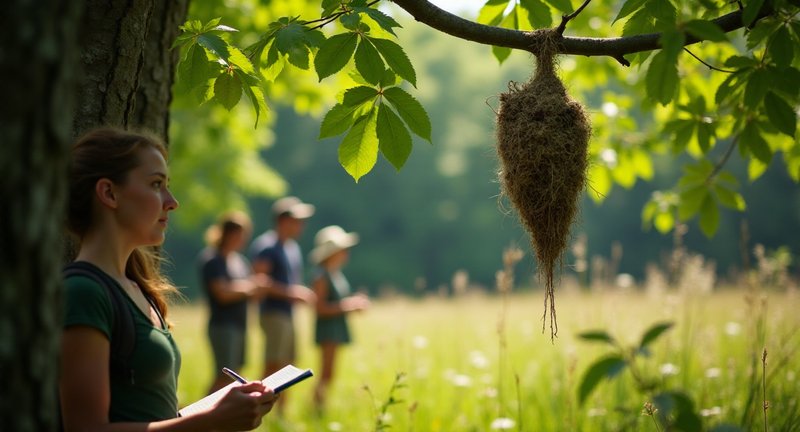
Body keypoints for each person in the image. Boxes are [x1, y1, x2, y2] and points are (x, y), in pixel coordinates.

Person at [60, 127, 277, 431]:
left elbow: (151, 416)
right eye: (156, 184)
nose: (172, 201)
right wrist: (211, 420)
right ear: (109, 193)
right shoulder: (83, 292)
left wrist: (218, 407)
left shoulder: (138, 289)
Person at [250, 196, 316, 412]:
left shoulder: (292, 248)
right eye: (297, 220)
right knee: (273, 365)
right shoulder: (266, 247)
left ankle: (279, 414)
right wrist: (292, 293)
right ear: (283, 221)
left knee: (287, 366)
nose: (302, 225)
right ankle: (258, 412)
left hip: (287, 314)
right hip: (272, 314)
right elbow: (259, 282)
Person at [198, 210, 267, 394]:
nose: (241, 239)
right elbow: (222, 293)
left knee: (235, 376)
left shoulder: (240, 262)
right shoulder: (212, 260)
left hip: (240, 326)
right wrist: (250, 286)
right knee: (224, 376)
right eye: (237, 234)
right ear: (225, 233)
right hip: (222, 326)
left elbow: (248, 291)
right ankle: (198, 415)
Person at [308, 225, 370, 411]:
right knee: (326, 373)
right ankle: (316, 408)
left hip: (335, 328)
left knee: (330, 373)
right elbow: (319, 308)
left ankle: (320, 407)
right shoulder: (321, 276)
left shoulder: (335, 274)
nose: (346, 253)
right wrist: (348, 306)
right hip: (328, 329)